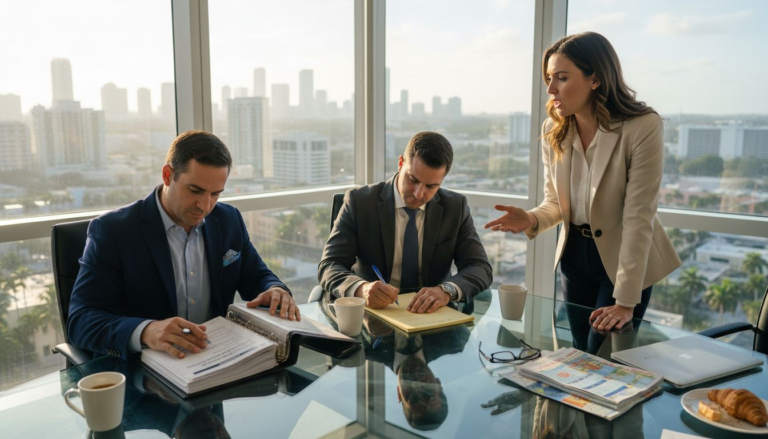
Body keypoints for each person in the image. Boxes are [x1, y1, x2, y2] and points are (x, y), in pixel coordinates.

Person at [485, 32, 681, 331]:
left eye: (561, 78)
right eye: (549, 77)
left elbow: (639, 217)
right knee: (580, 354)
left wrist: (626, 302)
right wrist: (532, 218)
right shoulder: (554, 128)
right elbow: (556, 202)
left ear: (596, 79)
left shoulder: (642, 126)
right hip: (574, 256)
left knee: (605, 354)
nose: (550, 88)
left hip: (625, 259)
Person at [68, 130, 300, 361]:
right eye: (195, 190)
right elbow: (81, 320)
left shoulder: (229, 220)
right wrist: (147, 331)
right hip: (145, 372)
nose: (205, 206)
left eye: (215, 194)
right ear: (168, 175)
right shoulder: (113, 231)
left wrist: (274, 290)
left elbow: (257, 277)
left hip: (218, 359)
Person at [318, 131, 492, 313]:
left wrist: (446, 290)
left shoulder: (455, 207)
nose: (418, 193)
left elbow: (480, 267)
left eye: (431, 186)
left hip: (431, 316)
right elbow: (329, 265)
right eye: (413, 179)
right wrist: (362, 289)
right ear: (400, 163)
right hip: (373, 315)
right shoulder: (360, 202)